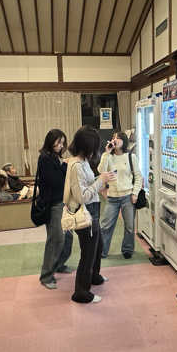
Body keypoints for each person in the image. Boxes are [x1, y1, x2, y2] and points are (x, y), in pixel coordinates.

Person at [66, 126, 115, 304]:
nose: (96, 150)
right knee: (88, 253)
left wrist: (101, 179)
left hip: (93, 211)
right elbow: (82, 196)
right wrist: (100, 181)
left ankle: (94, 276)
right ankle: (81, 292)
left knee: (97, 246)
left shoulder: (84, 160)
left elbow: (88, 184)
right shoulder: (77, 165)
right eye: (95, 146)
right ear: (87, 146)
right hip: (85, 212)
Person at [36, 129, 73, 290]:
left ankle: (59, 264)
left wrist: (64, 165)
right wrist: (65, 167)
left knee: (68, 237)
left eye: (63, 143)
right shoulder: (45, 158)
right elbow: (56, 181)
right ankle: (46, 275)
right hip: (53, 205)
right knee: (56, 239)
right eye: (58, 142)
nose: (61, 145)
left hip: (63, 203)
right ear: (50, 142)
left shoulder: (56, 157)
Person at [97, 131, 142, 259]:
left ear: (124, 141)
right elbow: (101, 171)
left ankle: (127, 249)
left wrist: (135, 193)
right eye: (114, 138)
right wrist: (106, 153)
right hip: (112, 197)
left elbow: (138, 177)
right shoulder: (108, 157)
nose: (115, 140)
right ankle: (102, 251)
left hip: (128, 196)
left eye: (118, 138)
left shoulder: (131, 157)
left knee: (129, 226)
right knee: (106, 226)